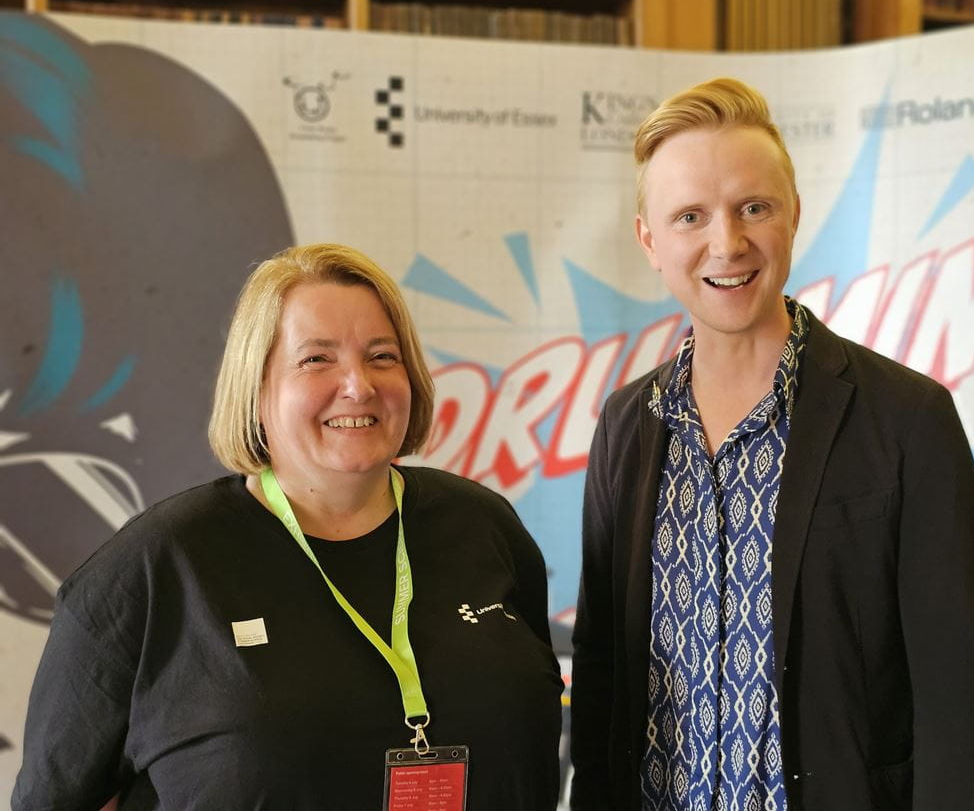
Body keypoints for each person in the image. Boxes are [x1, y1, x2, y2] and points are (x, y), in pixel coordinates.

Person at [569, 78, 974, 811]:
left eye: (753, 207)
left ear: (794, 214)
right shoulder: (626, 425)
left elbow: (956, 704)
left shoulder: (908, 419)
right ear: (650, 239)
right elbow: (604, 673)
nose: (726, 242)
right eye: (690, 216)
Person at [13, 243, 563, 810]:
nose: (359, 385)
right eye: (316, 359)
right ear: (256, 391)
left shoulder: (484, 527)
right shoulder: (156, 567)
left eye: (382, 356)